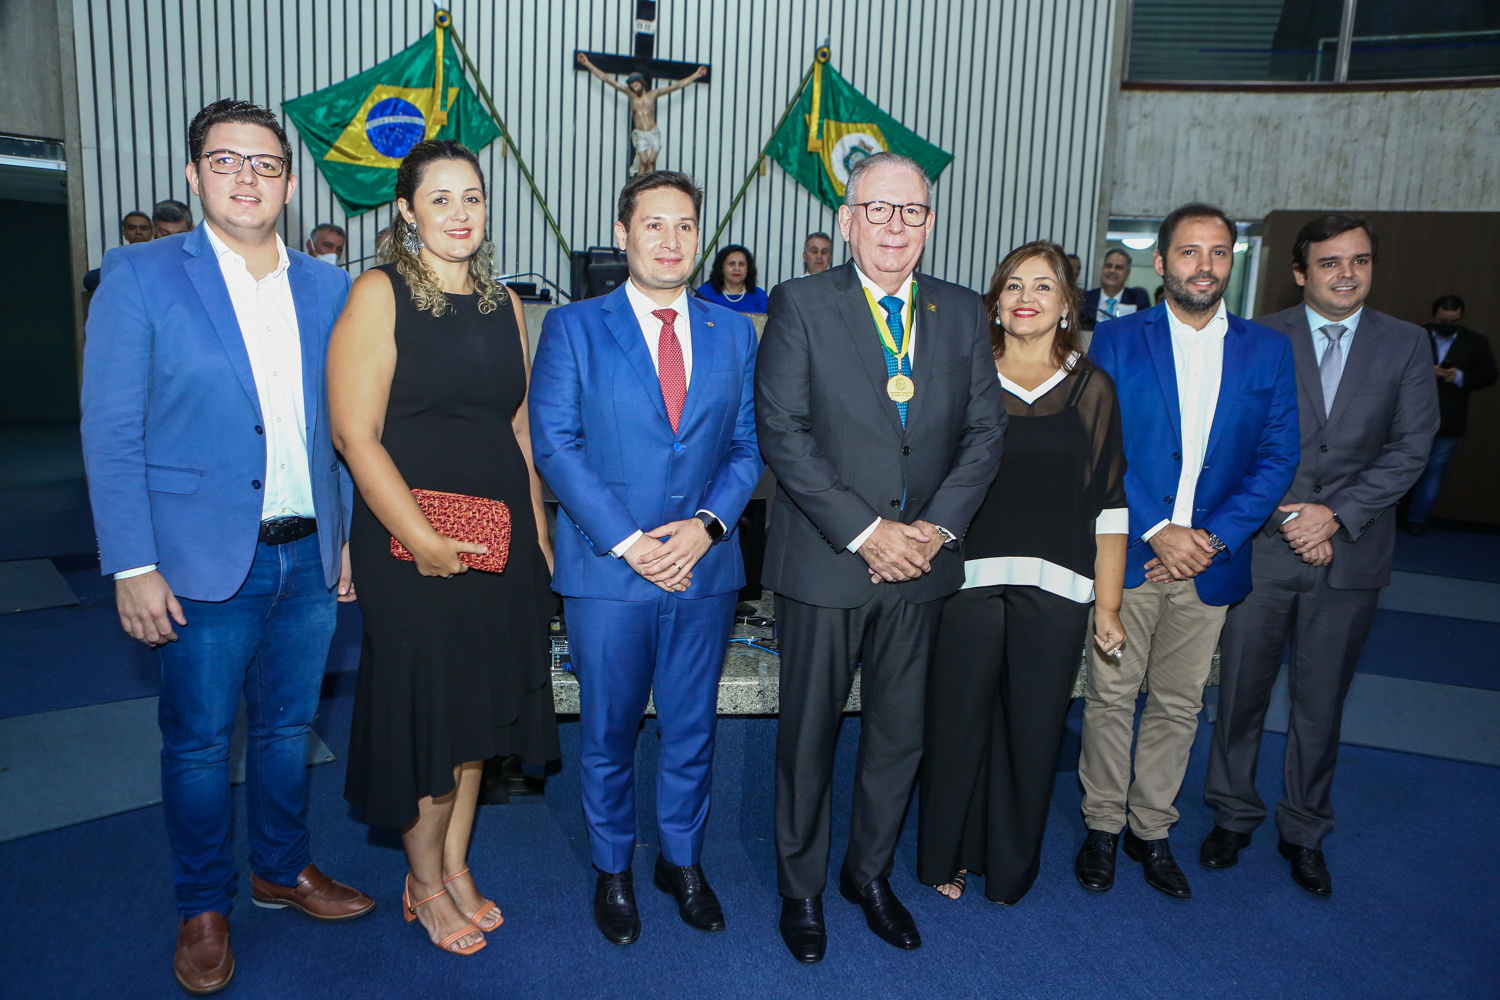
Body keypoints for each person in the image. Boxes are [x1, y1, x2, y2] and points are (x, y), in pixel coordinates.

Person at [80, 99, 373, 997]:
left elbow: (344, 429)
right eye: (226, 160)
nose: (248, 177)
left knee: (289, 729)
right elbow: (110, 430)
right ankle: (202, 905)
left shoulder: (329, 287)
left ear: (289, 182)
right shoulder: (139, 275)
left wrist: (348, 537)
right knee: (202, 744)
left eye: (265, 163)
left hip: (309, 555)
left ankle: (280, 869)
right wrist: (132, 564)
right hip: (197, 563)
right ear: (193, 173)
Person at [756, 151, 1005, 962]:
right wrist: (869, 533)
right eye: (879, 209)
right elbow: (783, 433)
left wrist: (932, 531)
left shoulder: (961, 311)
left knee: (900, 735)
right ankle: (801, 888)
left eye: (912, 211)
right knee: (808, 739)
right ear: (848, 219)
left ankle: (869, 875)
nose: (896, 226)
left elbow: (985, 434)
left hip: (923, 565)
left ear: (929, 222)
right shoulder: (800, 302)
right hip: (829, 563)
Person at [330, 140, 559, 956]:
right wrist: (421, 539)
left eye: (473, 198)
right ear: (407, 210)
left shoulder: (505, 303)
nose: (460, 214)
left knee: (475, 720)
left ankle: (455, 866)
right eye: (441, 199)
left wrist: (537, 533)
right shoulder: (379, 293)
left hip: (499, 546)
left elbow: (519, 430)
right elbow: (355, 436)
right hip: (411, 550)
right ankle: (423, 883)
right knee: (431, 721)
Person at [529, 170, 762, 946]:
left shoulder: (735, 332)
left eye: (685, 225)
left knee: (692, 727)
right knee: (609, 731)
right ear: (622, 234)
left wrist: (707, 526)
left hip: (704, 569)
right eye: (654, 224)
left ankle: (681, 862)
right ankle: (613, 869)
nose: (670, 240)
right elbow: (555, 446)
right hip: (608, 571)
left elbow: (747, 446)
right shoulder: (573, 327)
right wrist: (630, 543)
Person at [1202, 214, 1439, 896]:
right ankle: (1232, 814)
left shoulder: (1405, 342)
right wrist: (1285, 512)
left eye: (1359, 261)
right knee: (1240, 694)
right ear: (1300, 272)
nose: (1346, 274)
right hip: (1262, 547)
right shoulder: (1254, 337)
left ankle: (1304, 829)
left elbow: (1412, 447)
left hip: (1351, 553)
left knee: (1321, 703)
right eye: (1330, 262)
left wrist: (1334, 514)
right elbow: (1230, 438)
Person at [1075, 202, 1299, 901]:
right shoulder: (1116, 339)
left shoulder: (1267, 350)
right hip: (1130, 551)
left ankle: (1151, 830)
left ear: (1232, 261)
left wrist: (1212, 539)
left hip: (1211, 561)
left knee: (1178, 704)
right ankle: (1102, 825)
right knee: (1112, 697)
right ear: (1163, 260)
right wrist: (1156, 529)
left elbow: (1277, 456)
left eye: (1218, 252)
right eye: (1189, 251)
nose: (1205, 266)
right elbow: (1094, 441)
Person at [919, 240, 1127, 906]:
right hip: (965, 584)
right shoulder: (965, 378)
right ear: (995, 302)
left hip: (1059, 590)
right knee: (956, 728)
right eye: (1013, 285)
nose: (1026, 298)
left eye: (1043, 286)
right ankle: (947, 855)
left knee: (1033, 733)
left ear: (1066, 304)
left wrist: (1109, 607)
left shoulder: (1094, 388)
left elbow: (1110, 505)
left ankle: (1009, 869)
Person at [1406, 294, 1496, 534]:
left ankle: (1417, 520)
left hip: (1450, 417)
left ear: (1461, 318)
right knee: (1400, 466)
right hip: (1410, 416)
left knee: (1434, 470)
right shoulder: (1414, 335)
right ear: (1433, 317)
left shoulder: (1475, 341)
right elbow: (1392, 370)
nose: (1448, 325)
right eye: (1443, 321)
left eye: (1454, 321)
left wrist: (1459, 376)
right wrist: (1425, 372)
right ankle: (1387, 517)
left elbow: (1489, 374)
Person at [576, 53, 707, 175]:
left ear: (642, 83)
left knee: (651, 162)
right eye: (632, 86)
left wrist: (696, 75)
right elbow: (607, 79)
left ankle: (648, 186)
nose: (635, 88)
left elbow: (676, 86)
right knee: (643, 162)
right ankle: (638, 187)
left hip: (653, 131)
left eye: (636, 85)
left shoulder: (653, 94)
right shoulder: (631, 95)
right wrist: (587, 63)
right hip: (640, 133)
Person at [83, 210, 153, 291]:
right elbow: (89, 281)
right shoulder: (116, 257)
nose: (138, 232)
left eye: (143, 228)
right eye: (132, 228)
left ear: (151, 232)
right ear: (124, 233)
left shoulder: (159, 256)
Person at [1081, 248, 1152, 327]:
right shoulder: (1085, 298)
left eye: (1118, 267)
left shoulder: (1137, 299)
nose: (1112, 270)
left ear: (1127, 274)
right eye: (1108, 266)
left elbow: (1145, 327)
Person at [696, 244, 769, 313]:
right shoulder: (705, 293)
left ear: (748, 269)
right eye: (731, 264)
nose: (737, 268)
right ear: (721, 268)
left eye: (741, 264)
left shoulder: (759, 296)